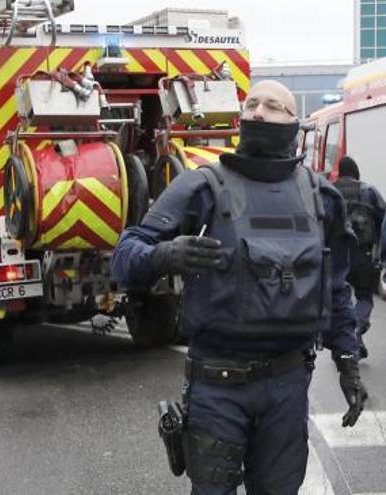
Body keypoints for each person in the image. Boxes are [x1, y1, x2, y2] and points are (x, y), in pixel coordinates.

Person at [112, 81, 367, 494]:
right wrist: (165, 255)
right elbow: (126, 255)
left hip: (287, 385)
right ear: (241, 118)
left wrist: (347, 361)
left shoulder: (322, 197)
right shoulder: (203, 186)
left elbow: (336, 286)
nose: (259, 112)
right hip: (217, 387)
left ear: (294, 122)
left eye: (274, 106)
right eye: (252, 104)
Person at [334, 156, 386, 359]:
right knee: (364, 297)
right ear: (357, 172)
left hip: (337, 255)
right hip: (363, 254)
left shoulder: (328, 190)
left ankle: (349, 339)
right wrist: (381, 256)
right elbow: (383, 223)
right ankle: (356, 333)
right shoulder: (369, 191)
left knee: (341, 299)